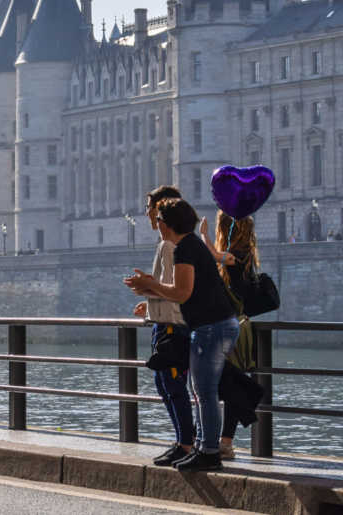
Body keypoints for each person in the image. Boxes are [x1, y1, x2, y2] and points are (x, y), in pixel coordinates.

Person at [125, 199, 239, 472]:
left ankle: (209, 451)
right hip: (215, 324)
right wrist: (150, 290)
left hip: (211, 327)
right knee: (200, 390)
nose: (157, 225)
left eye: (158, 220)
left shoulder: (184, 248)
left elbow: (181, 293)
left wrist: (151, 285)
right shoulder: (191, 246)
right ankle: (202, 446)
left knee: (204, 392)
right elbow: (184, 291)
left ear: (165, 224)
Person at [128, 186, 194, 467]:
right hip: (163, 323)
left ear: (161, 209)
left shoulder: (168, 246)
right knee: (164, 383)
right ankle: (182, 441)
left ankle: (186, 443)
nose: (146, 213)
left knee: (172, 385)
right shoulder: (167, 244)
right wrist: (150, 298)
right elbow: (166, 290)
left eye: (150, 207)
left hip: (172, 327)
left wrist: (148, 289)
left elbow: (175, 290)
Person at [201, 212, 259, 460]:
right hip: (235, 328)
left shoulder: (240, 254)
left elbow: (215, 256)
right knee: (228, 384)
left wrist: (203, 235)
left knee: (224, 385)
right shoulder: (246, 254)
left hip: (230, 330)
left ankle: (224, 441)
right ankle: (223, 441)